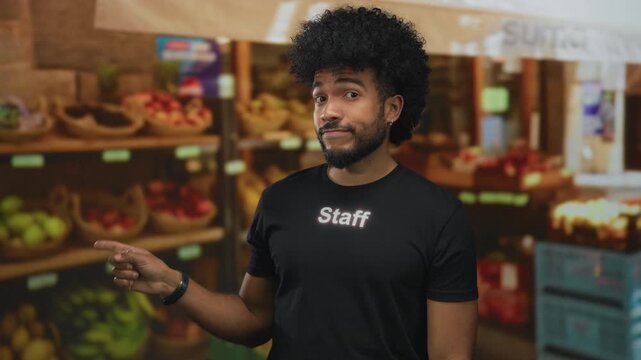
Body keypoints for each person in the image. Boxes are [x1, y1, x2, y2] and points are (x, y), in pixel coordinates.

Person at [95, 6, 478, 359]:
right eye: (319, 96)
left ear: (392, 108)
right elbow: (252, 318)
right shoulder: (282, 200)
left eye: (350, 93)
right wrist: (173, 285)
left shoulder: (438, 217)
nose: (328, 111)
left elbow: (449, 355)